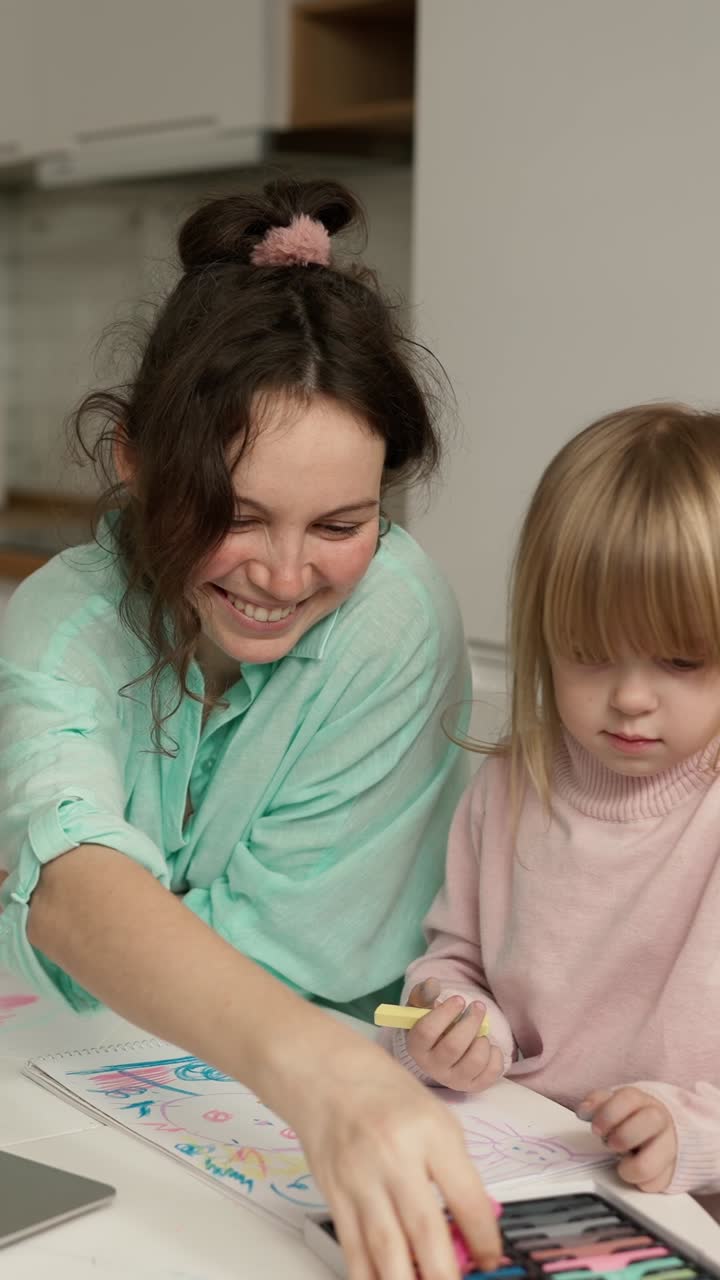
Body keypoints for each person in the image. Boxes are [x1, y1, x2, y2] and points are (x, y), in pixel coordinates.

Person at [0, 178, 502, 1279]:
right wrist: (325, 1068)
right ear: (135, 460)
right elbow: (72, 884)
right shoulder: (59, 623)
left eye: (341, 523)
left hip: (258, 1124)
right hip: (56, 1086)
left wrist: (139, 951)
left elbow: (314, 954)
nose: (283, 575)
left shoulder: (394, 615)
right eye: (232, 515)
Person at [393, 403, 720, 1219]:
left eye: (681, 660)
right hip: (522, 1161)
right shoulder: (508, 785)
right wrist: (457, 1026)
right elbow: (452, 962)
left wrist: (699, 1132)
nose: (632, 698)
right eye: (589, 654)